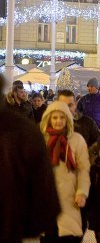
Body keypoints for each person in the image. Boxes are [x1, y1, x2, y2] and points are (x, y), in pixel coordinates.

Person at [0, 75, 60, 242]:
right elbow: (42, 181)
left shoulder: (26, 122)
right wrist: (33, 224)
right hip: (9, 219)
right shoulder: (24, 129)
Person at [41, 100, 91, 242]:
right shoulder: (41, 139)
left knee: (68, 236)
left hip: (70, 197)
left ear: (68, 118)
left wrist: (82, 192)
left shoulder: (77, 139)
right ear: (49, 118)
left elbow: (83, 170)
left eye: (62, 117)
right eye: (55, 117)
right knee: (48, 235)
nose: (58, 121)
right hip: (46, 197)